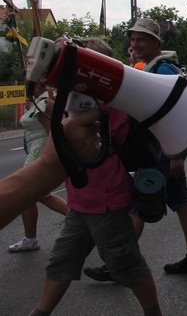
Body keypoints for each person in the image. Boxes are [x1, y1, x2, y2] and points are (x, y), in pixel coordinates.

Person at [30, 37, 162, 316]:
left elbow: (70, 134)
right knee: (62, 262)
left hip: (106, 199)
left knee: (126, 265)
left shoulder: (109, 105)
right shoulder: (81, 99)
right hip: (81, 200)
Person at [85, 18, 187, 280]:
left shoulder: (163, 70)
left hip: (160, 150)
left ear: (155, 42)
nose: (134, 44)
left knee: (138, 204)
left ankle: (120, 264)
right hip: (161, 148)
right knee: (180, 202)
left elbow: (176, 113)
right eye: (132, 39)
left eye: (140, 39)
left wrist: (177, 154)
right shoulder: (152, 67)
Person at [8, 83, 69, 253]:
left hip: (40, 153)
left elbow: (52, 133)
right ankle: (82, 222)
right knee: (40, 195)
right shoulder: (37, 101)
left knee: (25, 194)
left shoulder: (45, 103)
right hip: (36, 151)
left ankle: (31, 239)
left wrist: (47, 159)